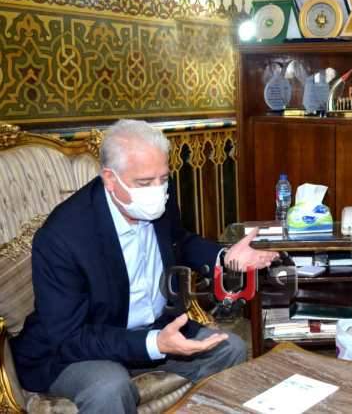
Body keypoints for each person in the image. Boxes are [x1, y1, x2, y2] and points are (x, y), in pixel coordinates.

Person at [11, 119, 279, 413]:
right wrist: (154, 344)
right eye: (144, 182)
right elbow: (69, 337)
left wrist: (224, 256)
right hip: (80, 349)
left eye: (163, 178)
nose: (157, 190)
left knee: (230, 349)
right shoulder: (63, 236)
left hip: (154, 327)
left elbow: (179, 240)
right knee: (109, 387)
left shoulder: (159, 196)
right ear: (110, 179)